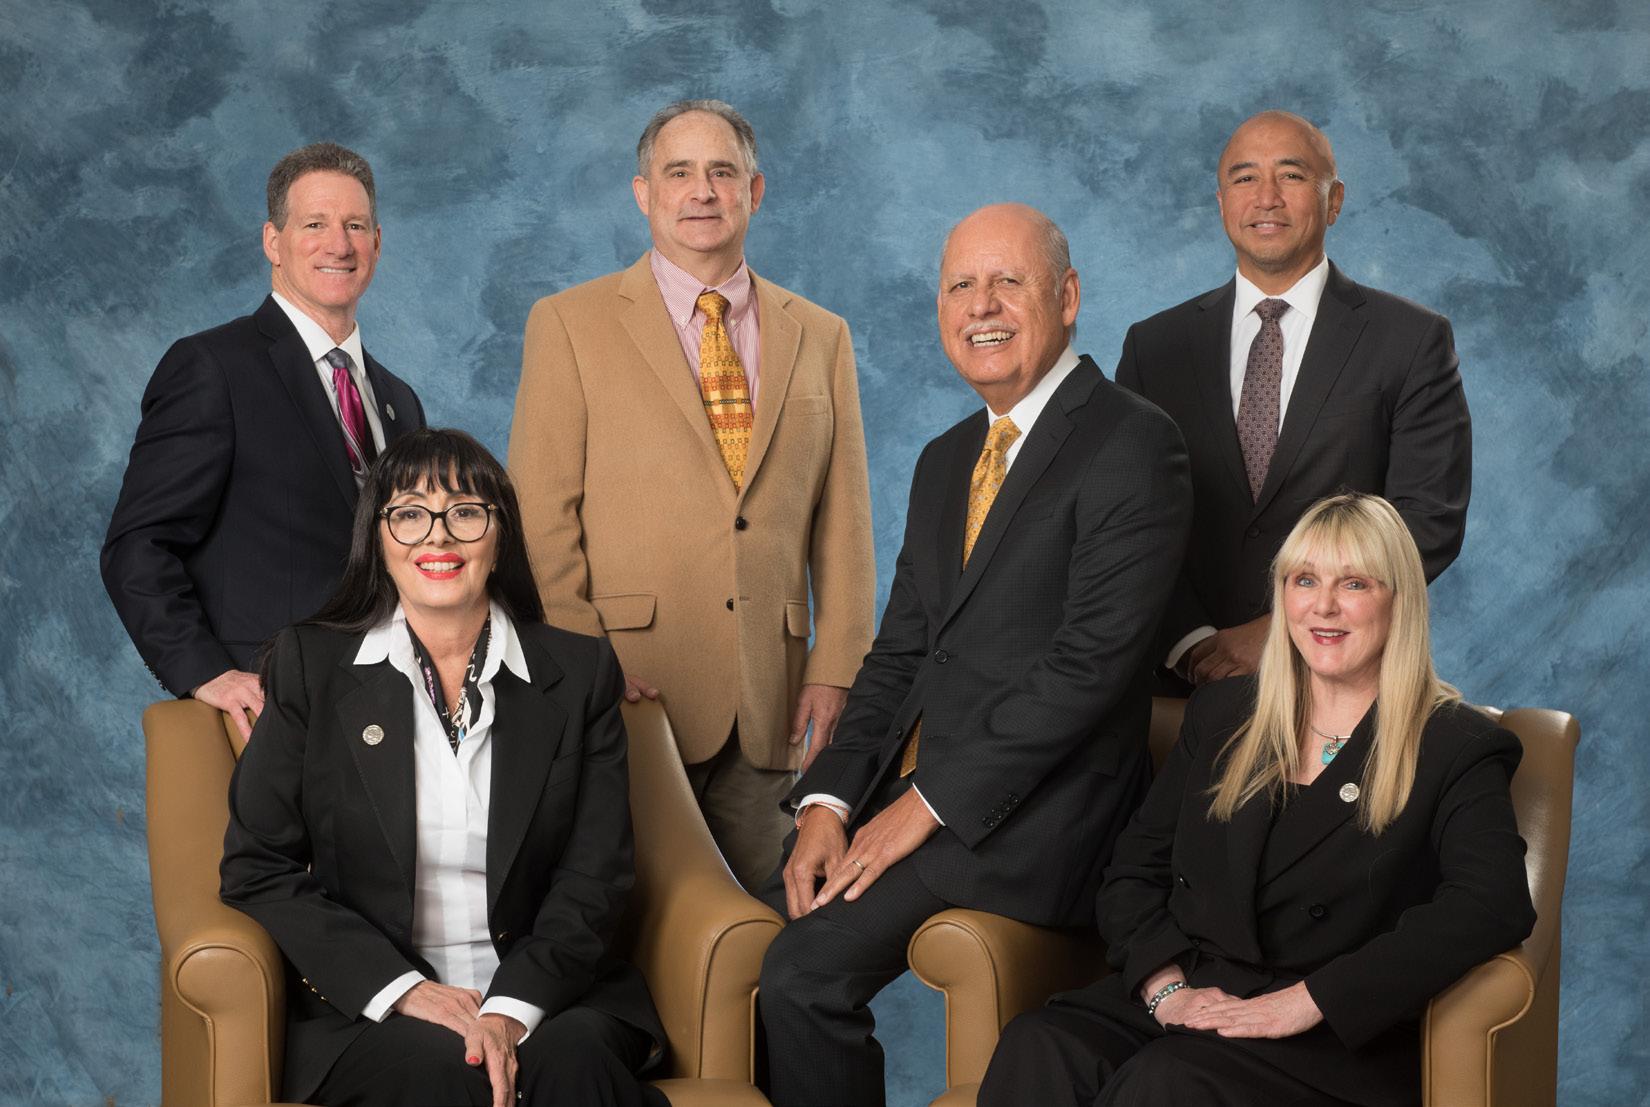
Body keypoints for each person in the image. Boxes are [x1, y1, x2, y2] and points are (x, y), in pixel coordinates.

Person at [754, 203, 1193, 1107]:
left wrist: (923, 805)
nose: (981, 305)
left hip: (1039, 819)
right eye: (961, 285)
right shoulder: (947, 457)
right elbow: (902, 652)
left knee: (801, 970)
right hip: (916, 798)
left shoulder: (1134, 441)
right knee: (750, 942)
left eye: (1008, 281)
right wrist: (829, 801)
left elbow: (1089, 667)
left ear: (1067, 297)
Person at [978, 492, 1535, 1107]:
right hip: (1194, 994)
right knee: (1040, 1044)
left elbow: (1492, 902)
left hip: (1330, 1037)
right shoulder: (1221, 715)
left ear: (1399, 600)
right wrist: (1167, 991)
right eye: (1304, 580)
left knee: (1168, 1081)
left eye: (1354, 583)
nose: (1323, 605)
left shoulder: (1455, 744)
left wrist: (1310, 1001)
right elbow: (1134, 871)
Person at [220, 429, 666, 1107]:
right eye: (409, 513)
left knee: (572, 1066)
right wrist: (405, 991)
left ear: (500, 536)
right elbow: (257, 866)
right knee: (445, 1074)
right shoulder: (312, 667)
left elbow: (595, 875)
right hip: (376, 1006)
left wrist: (509, 1009)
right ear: (378, 538)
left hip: (553, 994)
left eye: (465, 512)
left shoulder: (580, 673)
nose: (438, 536)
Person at [507, 99, 875, 891]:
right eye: (679, 173)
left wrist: (838, 664)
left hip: (772, 702)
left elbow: (844, 526)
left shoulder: (821, 334)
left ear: (756, 191)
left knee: (778, 927)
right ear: (644, 193)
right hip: (629, 692)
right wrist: (588, 664)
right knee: (629, 925)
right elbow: (540, 519)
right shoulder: (569, 324)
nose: (702, 191)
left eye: (722, 172)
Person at [1115, 110, 1471, 691]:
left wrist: (1282, 630)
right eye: (1244, 178)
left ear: (1334, 201)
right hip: (1179, 683)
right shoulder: (1154, 347)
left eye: (1292, 175)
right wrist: (1190, 643)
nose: (1267, 197)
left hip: (1340, 681)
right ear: (1222, 202)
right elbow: (1124, 519)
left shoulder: (1409, 341)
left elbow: (1426, 522)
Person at [102, 141, 426, 738]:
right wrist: (205, 672)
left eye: (355, 226)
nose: (339, 245)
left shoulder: (399, 401)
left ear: (377, 243)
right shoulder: (213, 368)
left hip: (393, 708)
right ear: (273, 242)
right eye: (315, 224)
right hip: (271, 708)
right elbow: (139, 545)